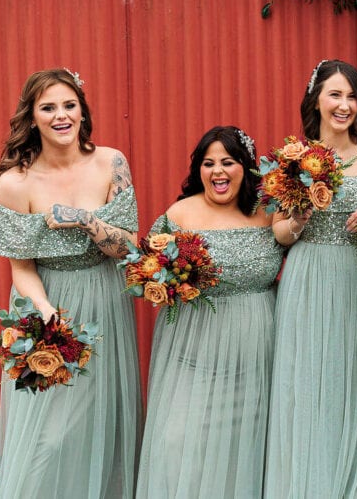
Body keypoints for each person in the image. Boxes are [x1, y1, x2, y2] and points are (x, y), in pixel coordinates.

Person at [0, 68, 141, 498]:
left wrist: (87, 220)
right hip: (46, 305)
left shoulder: (111, 162)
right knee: (48, 436)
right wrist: (47, 314)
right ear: (31, 117)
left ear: (82, 111)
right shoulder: (16, 182)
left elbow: (129, 247)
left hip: (104, 299)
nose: (61, 116)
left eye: (69, 105)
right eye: (48, 107)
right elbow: (21, 267)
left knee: (99, 422)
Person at [264, 59, 357, 498]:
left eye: (352, 96)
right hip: (311, 276)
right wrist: (300, 217)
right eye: (335, 95)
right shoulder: (295, 159)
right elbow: (280, 233)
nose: (344, 105)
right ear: (316, 100)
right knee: (310, 384)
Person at [135, 126, 282, 498]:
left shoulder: (268, 213)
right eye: (208, 163)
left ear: (246, 168)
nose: (218, 172)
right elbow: (146, 271)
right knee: (178, 440)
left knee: (246, 445)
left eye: (228, 162)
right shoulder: (180, 214)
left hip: (257, 351)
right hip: (194, 352)